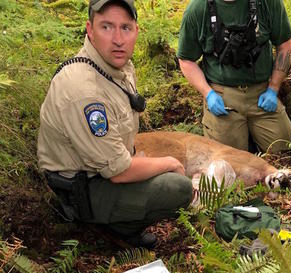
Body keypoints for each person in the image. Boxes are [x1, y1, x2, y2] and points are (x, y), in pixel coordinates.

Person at [37, 0, 193, 248]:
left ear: (136, 31)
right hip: (83, 190)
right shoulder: (83, 89)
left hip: (100, 169)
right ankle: (115, 229)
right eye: (106, 27)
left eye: (125, 28)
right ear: (90, 30)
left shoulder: (117, 67)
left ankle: (115, 219)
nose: (118, 39)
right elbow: (118, 171)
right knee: (179, 188)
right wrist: (170, 163)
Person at [177, 0, 291, 153]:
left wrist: (273, 88)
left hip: (261, 92)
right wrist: (208, 93)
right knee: (229, 161)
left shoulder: (266, 3)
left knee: (286, 149)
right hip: (223, 96)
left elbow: (284, 44)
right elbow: (186, 60)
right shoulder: (198, 9)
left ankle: (253, 138)